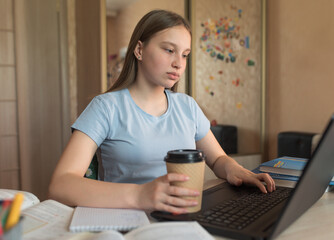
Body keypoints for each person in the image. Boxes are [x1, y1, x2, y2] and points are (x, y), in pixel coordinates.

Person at [48, 9, 275, 214]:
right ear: (139, 49)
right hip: (128, 222)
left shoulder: (187, 106)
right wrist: (140, 195)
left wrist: (235, 170)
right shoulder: (106, 107)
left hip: (182, 218)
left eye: (185, 54)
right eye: (169, 50)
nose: (179, 63)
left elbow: (217, 159)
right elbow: (61, 184)